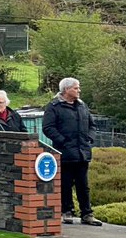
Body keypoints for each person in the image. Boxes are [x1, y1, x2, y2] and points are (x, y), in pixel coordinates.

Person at [43, 77, 101, 226]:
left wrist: (89, 138)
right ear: (66, 90)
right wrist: (63, 141)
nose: (79, 90)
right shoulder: (54, 106)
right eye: (76, 88)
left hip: (82, 153)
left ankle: (87, 213)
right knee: (65, 183)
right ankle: (66, 211)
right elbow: (48, 128)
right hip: (65, 153)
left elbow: (92, 124)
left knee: (83, 185)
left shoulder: (82, 106)